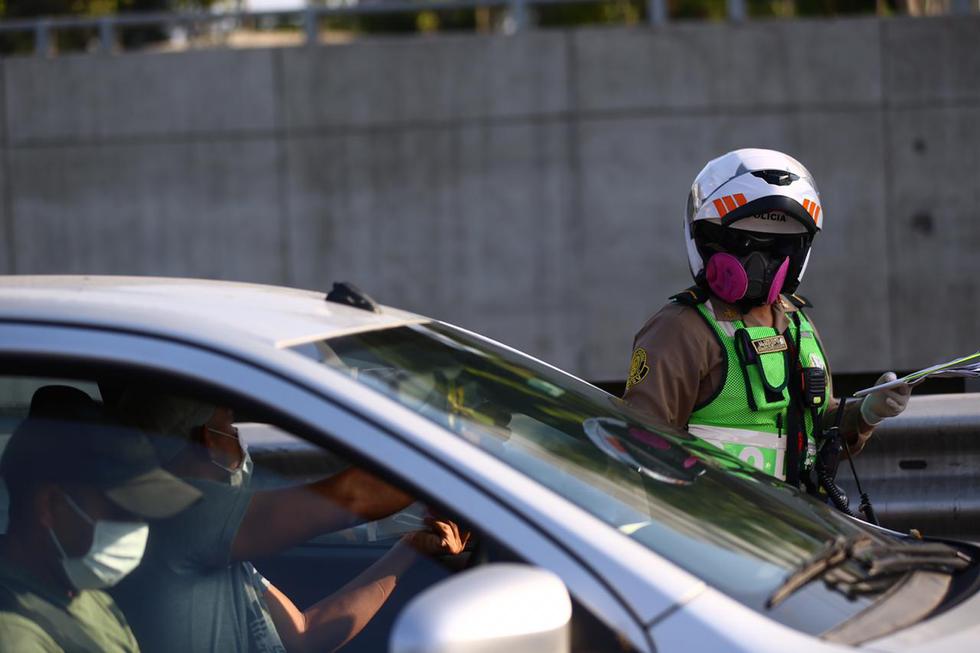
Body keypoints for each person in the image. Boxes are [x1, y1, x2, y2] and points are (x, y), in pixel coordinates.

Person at [623, 148, 911, 490]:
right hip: (716, 534)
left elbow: (815, 432)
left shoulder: (797, 324)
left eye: (778, 250)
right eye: (744, 245)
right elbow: (640, 454)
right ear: (708, 242)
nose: (761, 266)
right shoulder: (681, 330)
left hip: (790, 532)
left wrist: (866, 414)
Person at [110, 392, 469, 653]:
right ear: (209, 441)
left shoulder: (217, 541)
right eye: (232, 430)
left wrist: (409, 549)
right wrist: (453, 435)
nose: (240, 443)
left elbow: (303, 635)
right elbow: (355, 497)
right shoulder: (185, 512)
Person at [0, 387, 202, 652]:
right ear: (49, 505)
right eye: (122, 511)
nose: (138, 529)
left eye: (142, 513)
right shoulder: (15, 636)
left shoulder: (88, 598)